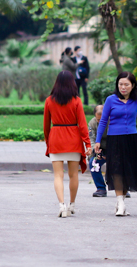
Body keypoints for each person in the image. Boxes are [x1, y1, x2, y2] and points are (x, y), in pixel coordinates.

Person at [92, 72, 137, 216]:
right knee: (117, 170)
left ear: (132, 85)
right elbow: (103, 121)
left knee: (128, 170)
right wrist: (97, 141)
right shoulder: (111, 100)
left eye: (127, 84)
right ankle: (120, 201)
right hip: (114, 139)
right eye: (120, 84)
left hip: (131, 139)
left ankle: (121, 201)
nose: (123, 87)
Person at [44, 71, 91, 218]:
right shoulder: (76, 100)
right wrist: (87, 144)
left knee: (58, 175)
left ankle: (61, 205)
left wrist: (48, 142)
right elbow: (83, 124)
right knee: (73, 175)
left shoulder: (49, 101)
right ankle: (72, 205)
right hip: (73, 139)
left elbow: (46, 125)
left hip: (56, 137)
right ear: (72, 83)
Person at [88, 104, 107, 197]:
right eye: (98, 119)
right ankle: (101, 188)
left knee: (119, 165)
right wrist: (95, 151)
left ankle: (122, 187)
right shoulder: (92, 123)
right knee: (93, 163)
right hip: (99, 149)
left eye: (103, 118)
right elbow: (91, 138)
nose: (100, 121)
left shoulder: (113, 121)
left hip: (114, 149)